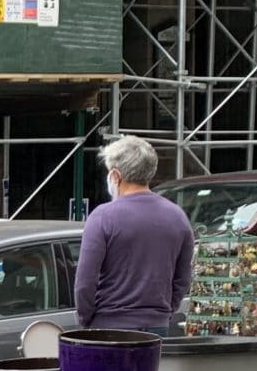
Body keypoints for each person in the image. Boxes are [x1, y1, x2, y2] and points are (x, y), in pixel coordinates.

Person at [73, 136, 195, 334]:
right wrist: (165, 311)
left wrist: (87, 318)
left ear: (115, 175)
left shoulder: (103, 217)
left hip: (109, 324)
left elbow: (85, 280)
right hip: (157, 326)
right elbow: (182, 277)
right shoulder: (177, 216)